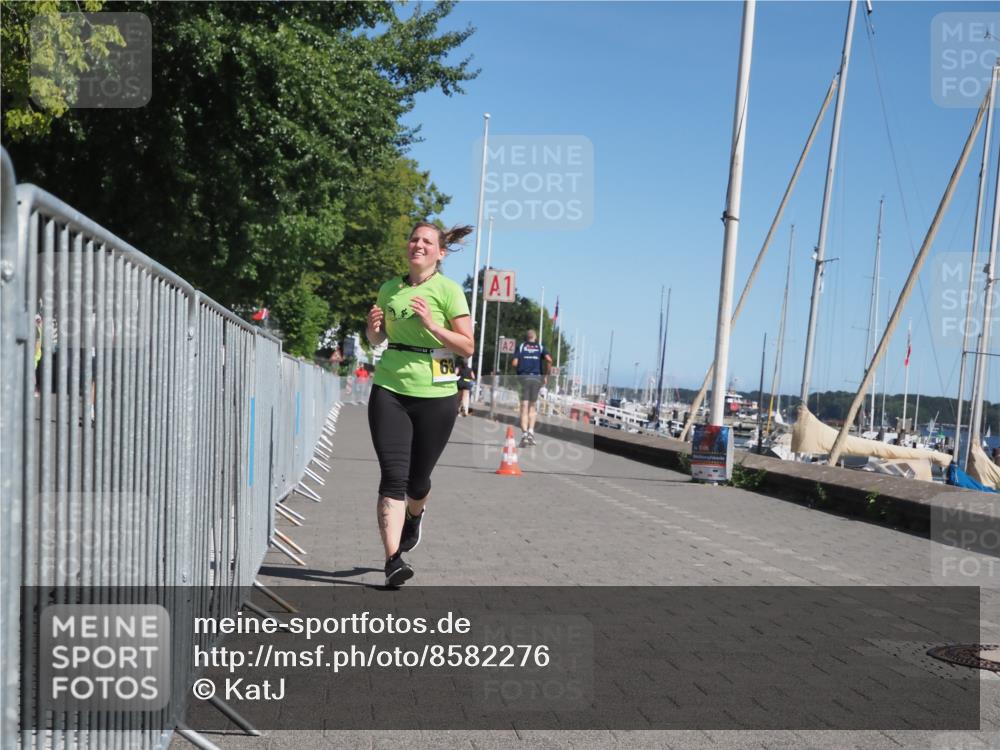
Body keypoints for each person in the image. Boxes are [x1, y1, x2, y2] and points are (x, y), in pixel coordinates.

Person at [366, 222, 474, 587]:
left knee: (418, 480)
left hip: (437, 395)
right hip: (390, 388)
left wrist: (432, 325)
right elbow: (378, 338)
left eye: (427, 241)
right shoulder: (389, 288)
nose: (418, 245)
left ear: (441, 253)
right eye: (414, 238)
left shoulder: (449, 291)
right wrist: (373, 329)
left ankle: (415, 515)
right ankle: (393, 560)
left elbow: (467, 346)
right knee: (393, 476)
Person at [511, 328, 552, 447]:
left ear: (526, 337)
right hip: (536, 378)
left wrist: (521, 367)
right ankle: (531, 432)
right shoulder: (540, 346)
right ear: (536, 337)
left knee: (524, 406)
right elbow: (549, 360)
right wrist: (546, 375)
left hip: (524, 378)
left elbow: (514, 363)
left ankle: (524, 434)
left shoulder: (522, 346)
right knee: (532, 407)